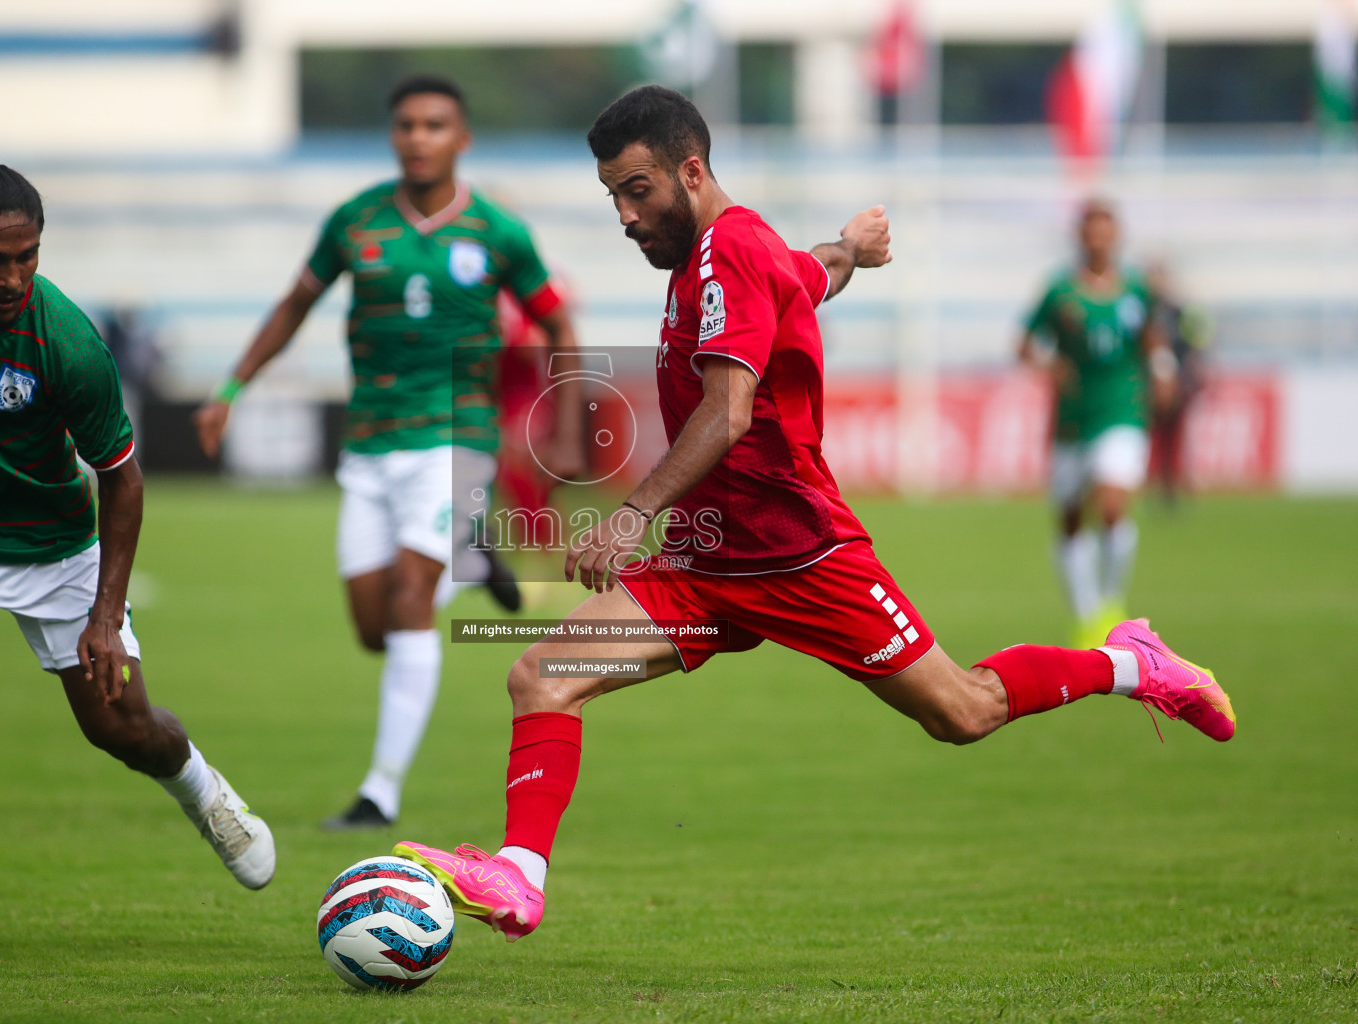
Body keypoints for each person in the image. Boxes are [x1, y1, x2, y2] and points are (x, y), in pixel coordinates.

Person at [390, 86, 1235, 942]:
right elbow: (808, 275)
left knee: (963, 711)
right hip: (707, 564)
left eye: (636, 190)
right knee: (540, 675)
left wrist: (629, 514)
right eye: (612, 194)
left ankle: (1132, 662)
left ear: (691, 171)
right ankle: (519, 878)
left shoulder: (729, 253)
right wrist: (852, 249)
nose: (623, 214)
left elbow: (727, 413)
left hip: (801, 558)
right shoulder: (722, 255)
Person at [0, 144, 274, 960]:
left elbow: (123, 479)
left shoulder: (64, 336)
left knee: (123, 729)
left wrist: (105, 616)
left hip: (51, 545)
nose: (12, 277)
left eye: (28, 256)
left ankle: (202, 790)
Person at [194, 75, 584, 831]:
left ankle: (381, 792)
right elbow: (295, 303)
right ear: (392, 135)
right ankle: (468, 571)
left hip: (456, 439)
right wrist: (231, 387)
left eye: (435, 124)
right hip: (371, 444)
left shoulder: (497, 232)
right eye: (406, 124)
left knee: (408, 602)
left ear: (461, 138)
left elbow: (560, 327)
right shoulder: (355, 220)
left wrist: (563, 430)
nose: (418, 137)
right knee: (374, 627)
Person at [1019, 199, 1175, 647]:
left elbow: (1152, 335)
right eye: (1091, 231)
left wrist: (1162, 370)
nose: (1099, 240)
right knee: (1070, 518)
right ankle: (1086, 615)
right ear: (1080, 237)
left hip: (1123, 409)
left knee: (1111, 505)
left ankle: (1111, 604)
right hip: (1072, 418)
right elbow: (1024, 343)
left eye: (1106, 231)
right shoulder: (1060, 292)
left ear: (1116, 236)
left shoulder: (1135, 289)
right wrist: (1049, 367)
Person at [1145, 262, 1210, 507]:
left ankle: (1175, 484)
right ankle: (1154, 484)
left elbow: (1195, 345)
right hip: (1150, 384)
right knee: (1154, 437)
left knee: (1176, 436)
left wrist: (1191, 375)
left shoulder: (1178, 312)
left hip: (1179, 383)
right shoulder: (1143, 312)